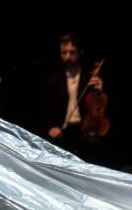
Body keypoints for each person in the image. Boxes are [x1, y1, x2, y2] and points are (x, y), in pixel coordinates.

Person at [40, 33, 107, 163]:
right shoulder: (53, 80)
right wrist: (50, 127)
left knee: (95, 146)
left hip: (85, 130)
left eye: (72, 52)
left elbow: (101, 108)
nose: (68, 57)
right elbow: (44, 112)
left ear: (80, 53)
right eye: (64, 53)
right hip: (63, 130)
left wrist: (100, 90)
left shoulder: (90, 78)